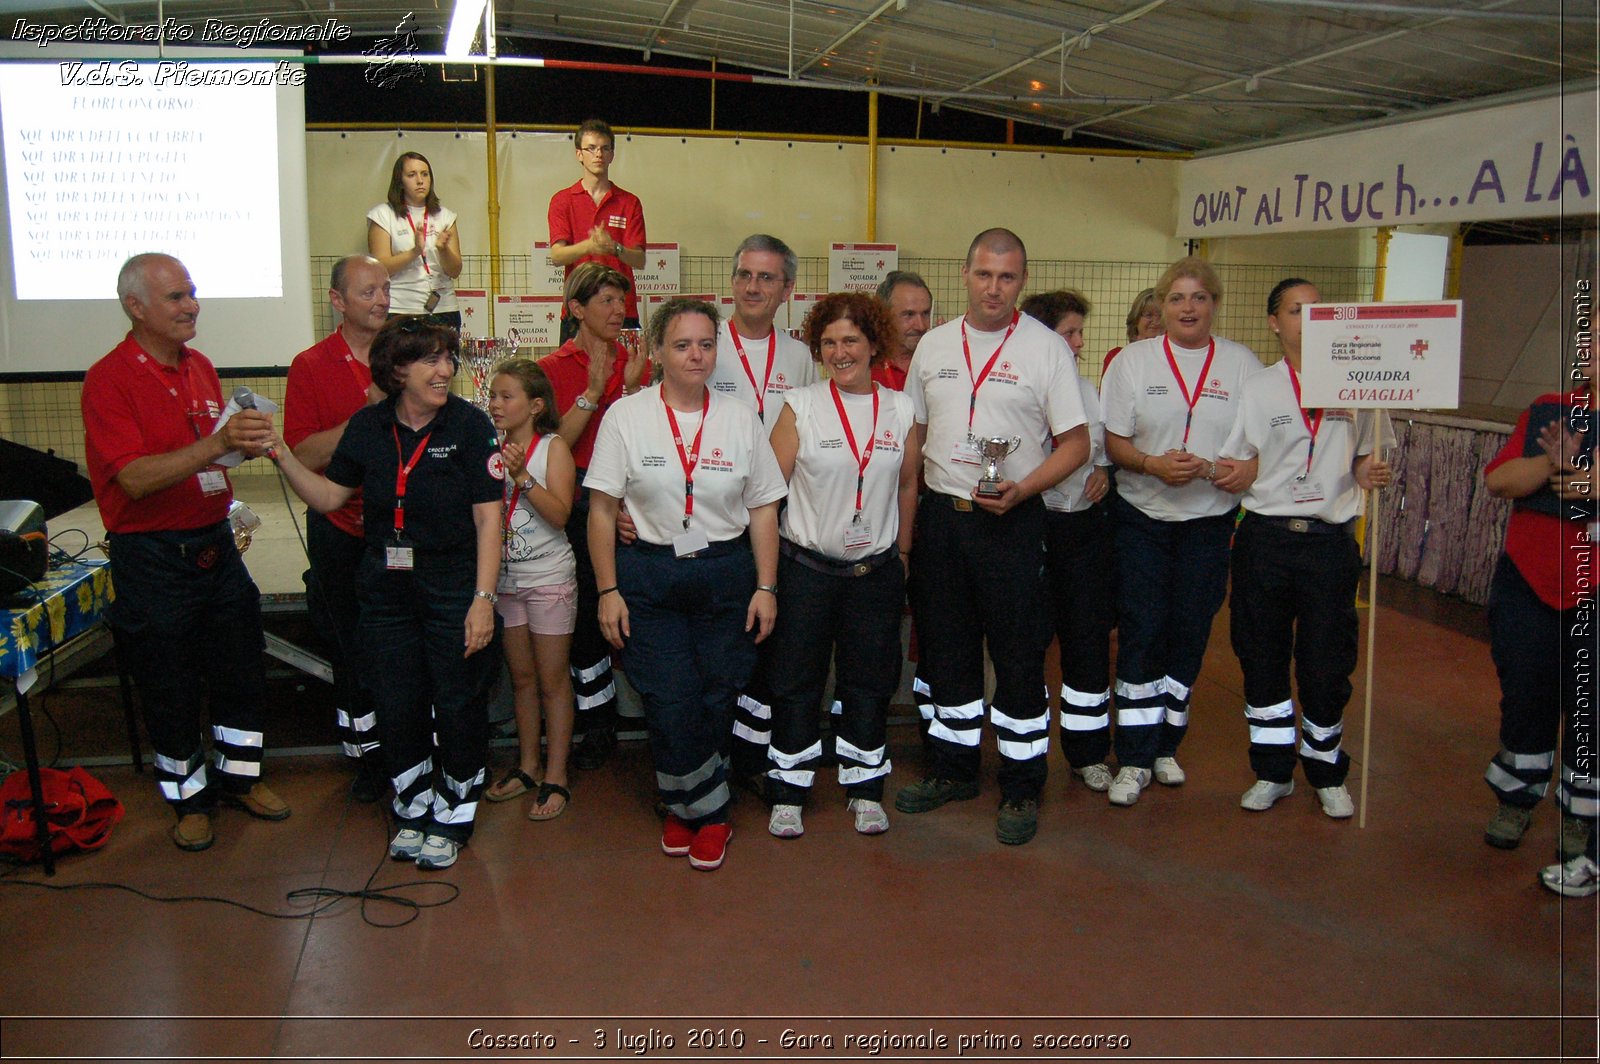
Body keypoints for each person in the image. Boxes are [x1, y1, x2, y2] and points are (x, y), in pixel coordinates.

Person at [272, 317, 502, 871]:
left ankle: (455, 806)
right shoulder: (369, 427)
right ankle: (414, 800)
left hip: (450, 582)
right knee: (396, 698)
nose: (445, 370)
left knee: (455, 698)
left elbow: (489, 522)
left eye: (449, 358)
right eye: (430, 360)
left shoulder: (470, 427)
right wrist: (281, 453)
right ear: (397, 371)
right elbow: (330, 497)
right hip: (384, 583)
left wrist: (483, 600)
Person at [82, 253, 289, 852]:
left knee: (239, 664)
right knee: (167, 681)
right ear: (135, 306)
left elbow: (205, 454)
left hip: (214, 545)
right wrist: (218, 443)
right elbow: (136, 479)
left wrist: (238, 446)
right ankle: (189, 801)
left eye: (192, 293)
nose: (191, 305)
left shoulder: (200, 366)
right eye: (175, 297)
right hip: (151, 555)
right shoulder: (109, 378)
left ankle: (239, 779)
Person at [894, 228, 1089, 846]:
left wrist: (1024, 490)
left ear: (1021, 281)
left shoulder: (1046, 349)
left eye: (1007, 277)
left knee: (1017, 654)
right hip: (943, 520)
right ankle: (953, 771)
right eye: (984, 274)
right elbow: (913, 437)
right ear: (965, 273)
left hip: (1013, 521)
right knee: (947, 651)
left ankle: (1022, 783)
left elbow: (1077, 444)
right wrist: (904, 533)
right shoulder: (934, 345)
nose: (994, 288)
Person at [584, 298, 786, 872]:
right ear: (656, 352)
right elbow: (601, 511)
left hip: (725, 572)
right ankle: (710, 810)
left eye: (705, 344)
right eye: (681, 345)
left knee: (719, 692)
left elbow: (765, 508)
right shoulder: (626, 416)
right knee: (669, 695)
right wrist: (607, 590)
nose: (695, 355)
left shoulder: (740, 417)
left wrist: (766, 587)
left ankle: (686, 805)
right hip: (651, 574)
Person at [1218, 278, 1393, 818]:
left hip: (1328, 543)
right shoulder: (1259, 387)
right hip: (1266, 538)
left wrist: (1369, 469)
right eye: (1297, 310)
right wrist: (1232, 471)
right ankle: (1273, 770)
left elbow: (1365, 456)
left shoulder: (1359, 385)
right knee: (1262, 654)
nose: (1309, 319)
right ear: (1275, 323)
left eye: (1320, 310)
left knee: (1325, 662)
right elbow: (1236, 459)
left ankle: (1324, 768)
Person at [1099, 256, 1260, 807]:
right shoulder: (1132, 363)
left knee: (1190, 632)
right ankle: (1134, 757)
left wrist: (1235, 470)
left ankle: (1167, 744)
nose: (1188, 307)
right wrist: (1151, 465)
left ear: (1214, 305)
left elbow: (1257, 447)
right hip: (1143, 517)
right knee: (1143, 630)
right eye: (1176, 298)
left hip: (1209, 523)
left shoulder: (1242, 364)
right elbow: (1115, 442)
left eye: (1199, 298)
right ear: (1159, 308)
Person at [761, 292, 921, 839]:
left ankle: (864, 784)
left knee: (869, 682)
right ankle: (789, 787)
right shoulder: (799, 405)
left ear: (874, 344)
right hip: (806, 570)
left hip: (872, 573)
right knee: (795, 681)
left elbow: (907, 484)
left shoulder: (901, 410)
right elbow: (766, 492)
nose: (839, 351)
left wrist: (901, 553)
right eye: (828, 342)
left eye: (850, 339)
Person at [1479, 339, 1596, 896]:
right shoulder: (1549, 409)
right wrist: (1550, 461)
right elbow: (1501, 482)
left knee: (1588, 710)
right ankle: (1516, 799)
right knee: (1525, 695)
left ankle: (1581, 815)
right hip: (1529, 582)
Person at [710, 234, 820, 790]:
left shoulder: (800, 357)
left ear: (787, 290)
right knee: (722, 645)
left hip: (776, 524)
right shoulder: (706, 344)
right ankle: (713, 755)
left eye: (766, 278)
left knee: (769, 644)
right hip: (715, 524)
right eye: (744, 275)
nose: (753, 287)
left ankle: (755, 759)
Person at [283, 255, 389, 802]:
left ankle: (416, 748)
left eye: (386, 288)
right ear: (338, 301)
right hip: (340, 529)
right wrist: (365, 419)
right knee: (351, 651)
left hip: (398, 531)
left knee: (399, 647)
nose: (381, 298)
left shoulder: (407, 358)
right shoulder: (311, 365)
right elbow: (302, 451)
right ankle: (367, 758)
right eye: (368, 290)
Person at [537, 262, 649, 770]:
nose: (616, 309)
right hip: (579, 498)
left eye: (620, 300)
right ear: (576, 309)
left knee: (637, 607)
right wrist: (595, 389)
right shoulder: (552, 367)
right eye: (604, 300)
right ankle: (598, 719)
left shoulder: (640, 362)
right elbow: (551, 443)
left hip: (635, 497)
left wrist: (625, 388)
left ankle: (647, 711)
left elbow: (650, 437)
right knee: (586, 615)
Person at [1019, 290, 1118, 795]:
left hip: (1082, 532)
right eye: (1069, 333)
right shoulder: (1020, 386)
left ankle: (1088, 752)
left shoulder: (1084, 388)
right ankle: (1027, 753)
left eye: (1081, 332)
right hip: (1033, 528)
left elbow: (1095, 443)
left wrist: (1101, 466)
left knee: (1086, 641)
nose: (1079, 343)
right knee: (1029, 644)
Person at [485, 359, 578, 820]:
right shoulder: (490, 446)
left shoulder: (551, 448)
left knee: (552, 681)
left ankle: (557, 773)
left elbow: (561, 514)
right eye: (493, 396)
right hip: (505, 580)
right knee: (521, 680)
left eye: (507, 397)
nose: (496, 404)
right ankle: (527, 765)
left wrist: (521, 476)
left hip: (548, 579)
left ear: (535, 405)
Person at [548, 118, 647, 342]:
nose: (598, 154)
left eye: (604, 148)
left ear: (612, 154)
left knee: (625, 377)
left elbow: (639, 260)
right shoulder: (562, 200)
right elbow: (557, 256)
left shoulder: (629, 202)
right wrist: (589, 246)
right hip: (578, 311)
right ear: (579, 154)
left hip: (622, 313)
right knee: (574, 377)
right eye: (591, 149)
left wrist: (614, 247)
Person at [367, 151, 463, 328]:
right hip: (401, 308)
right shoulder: (383, 215)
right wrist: (414, 252)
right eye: (412, 175)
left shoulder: (445, 216)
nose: (420, 180)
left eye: (425, 174)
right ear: (400, 181)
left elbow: (455, 270)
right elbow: (379, 270)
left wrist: (443, 250)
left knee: (442, 356)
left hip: (443, 308)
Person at [873, 270, 934, 391]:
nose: (921, 326)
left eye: (925, 313)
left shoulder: (938, 365)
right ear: (884, 315)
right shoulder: (865, 367)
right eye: (909, 315)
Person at [1101, 287, 1161, 377]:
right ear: (1136, 319)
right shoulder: (1117, 357)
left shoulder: (1173, 357)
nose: (1156, 321)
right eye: (1148, 315)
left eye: (1161, 315)